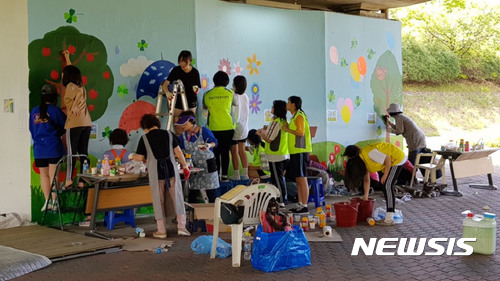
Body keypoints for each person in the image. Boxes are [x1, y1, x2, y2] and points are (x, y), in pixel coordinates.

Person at [129, 114, 191, 238]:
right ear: (157, 124)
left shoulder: (144, 138)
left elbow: (141, 157)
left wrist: (131, 156)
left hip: (155, 173)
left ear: (145, 127)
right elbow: (178, 152)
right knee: (177, 197)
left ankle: (161, 231)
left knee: (158, 200)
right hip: (171, 170)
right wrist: (185, 166)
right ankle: (182, 227)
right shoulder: (169, 134)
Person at [343, 143, 407, 226]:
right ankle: (389, 217)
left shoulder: (370, 153)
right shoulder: (362, 162)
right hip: (391, 162)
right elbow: (366, 180)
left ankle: (389, 219)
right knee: (386, 186)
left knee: (387, 186)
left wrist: (385, 175)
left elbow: (388, 159)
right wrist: (365, 197)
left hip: (397, 158)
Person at [29, 84, 67, 211]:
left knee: (44, 176)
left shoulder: (34, 111)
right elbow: (65, 125)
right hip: (53, 147)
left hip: (39, 149)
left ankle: (47, 201)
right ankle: (55, 202)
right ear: (54, 97)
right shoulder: (56, 111)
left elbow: (32, 130)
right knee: (54, 176)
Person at [62, 50, 91, 188]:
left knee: (71, 153)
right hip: (86, 123)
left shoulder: (70, 86)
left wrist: (75, 106)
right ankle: (82, 180)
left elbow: (77, 96)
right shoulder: (81, 86)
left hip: (74, 123)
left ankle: (68, 179)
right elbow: (71, 70)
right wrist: (67, 58)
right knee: (83, 152)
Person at [176, 111, 219, 203]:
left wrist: (209, 145)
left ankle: (214, 215)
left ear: (192, 121)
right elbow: (180, 151)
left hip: (208, 167)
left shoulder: (204, 131)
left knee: (212, 194)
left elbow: (215, 143)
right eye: (181, 124)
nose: (182, 126)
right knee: (193, 194)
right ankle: (194, 215)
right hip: (194, 169)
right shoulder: (182, 137)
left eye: (185, 123)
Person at [203, 71, 236, 181]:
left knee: (215, 152)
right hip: (228, 127)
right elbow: (235, 104)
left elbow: (204, 106)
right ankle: (225, 176)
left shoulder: (207, 94)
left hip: (213, 128)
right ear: (227, 82)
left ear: (214, 81)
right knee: (225, 152)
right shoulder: (230, 93)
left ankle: (216, 175)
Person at [282, 96, 312, 213]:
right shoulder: (294, 116)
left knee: (302, 178)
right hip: (295, 151)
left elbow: (300, 132)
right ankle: (300, 204)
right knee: (298, 179)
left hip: (300, 151)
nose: (287, 104)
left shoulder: (299, 115)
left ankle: (305, 205)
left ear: (293, 104)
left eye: (288, 102)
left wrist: (287, 129)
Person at [257, 100, 289, 205]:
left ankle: (280, 201)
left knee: (277, 179)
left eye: (273, 106)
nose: (271, 108)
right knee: (278, 178)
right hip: (282, 153)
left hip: (275, 155)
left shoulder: (276, 122)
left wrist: (261, 134)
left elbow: (269, 139)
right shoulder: (282, 121)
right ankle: (281, 199)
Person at [161, 50, 201, 123]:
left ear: (190, 61)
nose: (182, 65)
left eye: (185, 63)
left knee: (189, 124)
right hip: (178, 102)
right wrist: (167, 92)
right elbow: (165, 84)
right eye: (180, 62)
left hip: (191, 102)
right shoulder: (176, 70)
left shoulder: (195, 72)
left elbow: (198, 87)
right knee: (177, 125)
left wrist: (196, 90)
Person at [229, 75, 250, 180]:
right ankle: (245, 173)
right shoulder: (246, 96)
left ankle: (236, 174)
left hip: (235, 127)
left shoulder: (233, 95)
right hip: (244, 127)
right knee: (242, 150)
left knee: (234, 151)